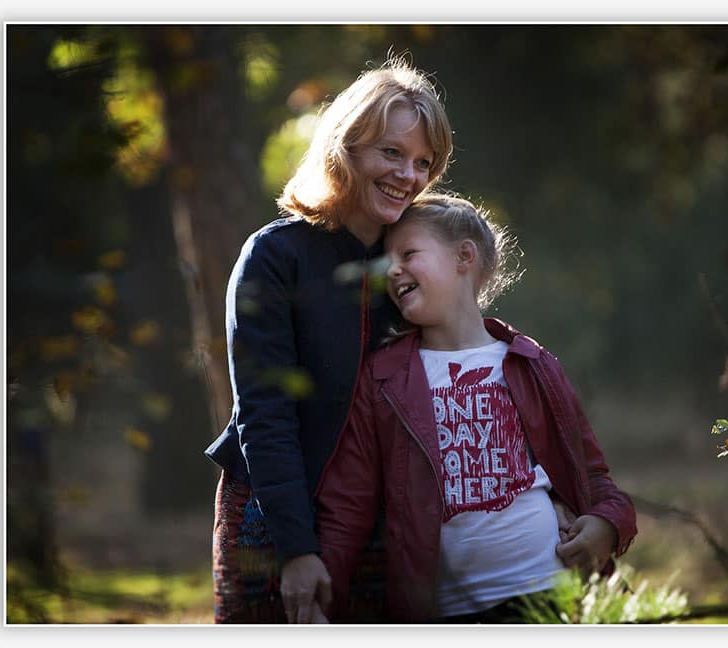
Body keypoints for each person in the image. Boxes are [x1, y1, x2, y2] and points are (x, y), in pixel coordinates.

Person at [204, 57, 454, 624]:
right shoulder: (275, 256)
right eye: (391, 153)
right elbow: (263, 412)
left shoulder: (410, 266)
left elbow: (465, 375)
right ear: (347, 147)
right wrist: (296, 549)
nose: (408, 176)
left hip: (384, 528)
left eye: (423, 162)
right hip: (273, 516)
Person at [314, 193, 638, 623]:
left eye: (408, 253)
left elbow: (594, 478)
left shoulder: (532, 363)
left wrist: (608, 525)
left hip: (554, 595)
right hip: (449, 614)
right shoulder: (383, 379)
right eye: (386, 259)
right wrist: (322, 594)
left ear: (464, 256)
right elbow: (349, 502)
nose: (392, 270)